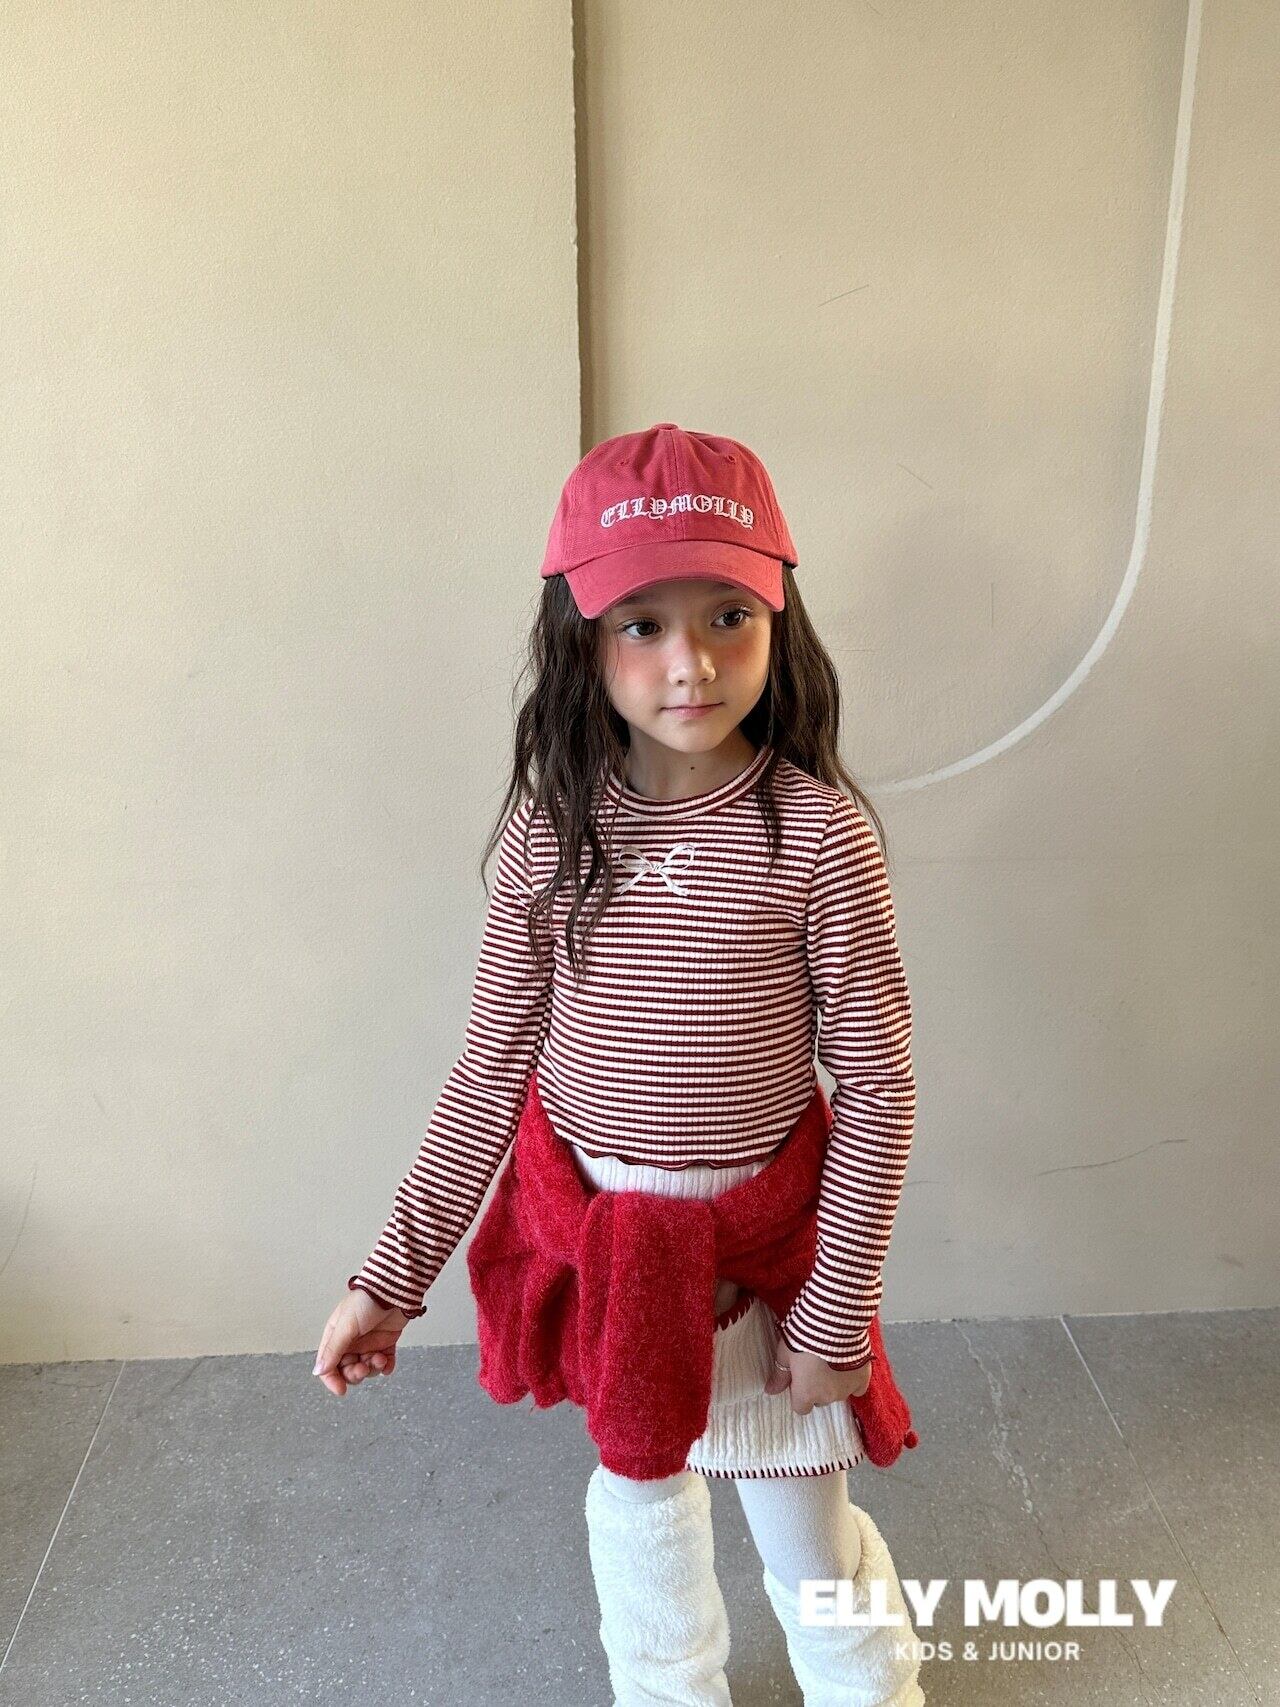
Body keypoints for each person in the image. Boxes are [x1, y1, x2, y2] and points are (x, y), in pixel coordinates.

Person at [313, 422, 927, 1704]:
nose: (689, 662)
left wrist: (832, 1314)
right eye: (640, 625)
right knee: (640, 1517)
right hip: (611, 1252)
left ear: (777, 622)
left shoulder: (817, 839)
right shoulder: (549, 837)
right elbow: (491, 1071)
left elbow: (873, 1087)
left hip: (770, 1263)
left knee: (806, 1537)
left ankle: (868, 1688)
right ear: (578, 639)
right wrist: (392, 1277)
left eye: (725, 617)